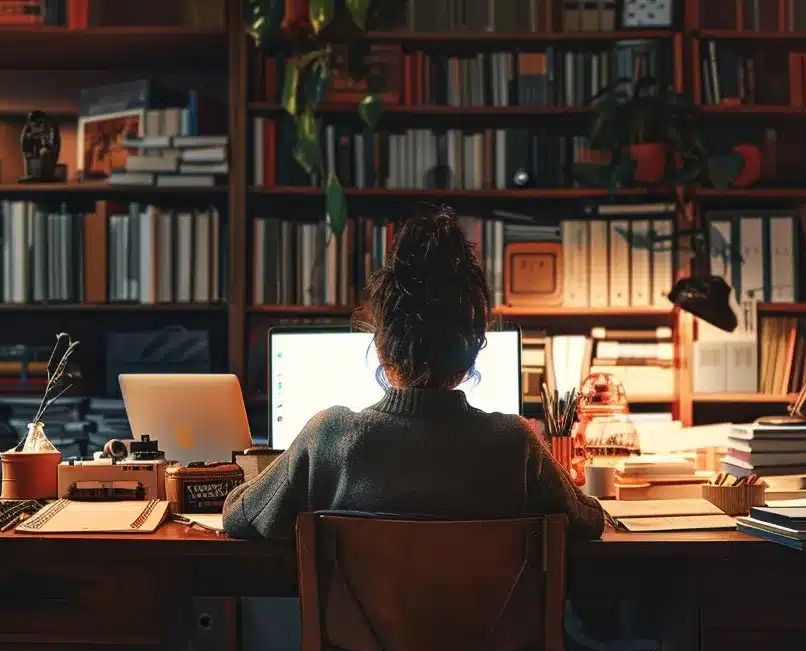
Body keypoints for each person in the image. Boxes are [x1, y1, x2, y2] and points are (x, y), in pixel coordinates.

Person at [222, 207, 605, 541]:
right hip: (486, 627)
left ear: (382, 344)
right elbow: (588, 521)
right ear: (473, 347)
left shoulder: (328, 437)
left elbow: (240, 518)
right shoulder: (515, 445)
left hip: (358, 629)